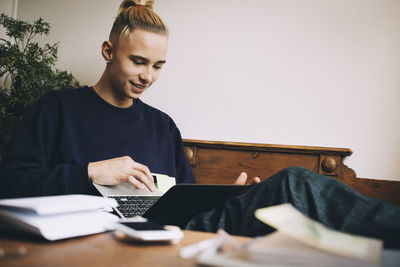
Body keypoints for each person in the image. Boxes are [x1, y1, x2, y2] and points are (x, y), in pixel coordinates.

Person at [0, 0, 399, 248]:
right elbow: (11, 181)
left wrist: (228, 198)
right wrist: (91, 172)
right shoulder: (58, 109)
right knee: (295, 185)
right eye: (138, 61)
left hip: (174, 230)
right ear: (108, 51)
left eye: (158, 66)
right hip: (103, 234)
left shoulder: (162, 125)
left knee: (288, 197)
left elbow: (186, 201)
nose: (148, 76)